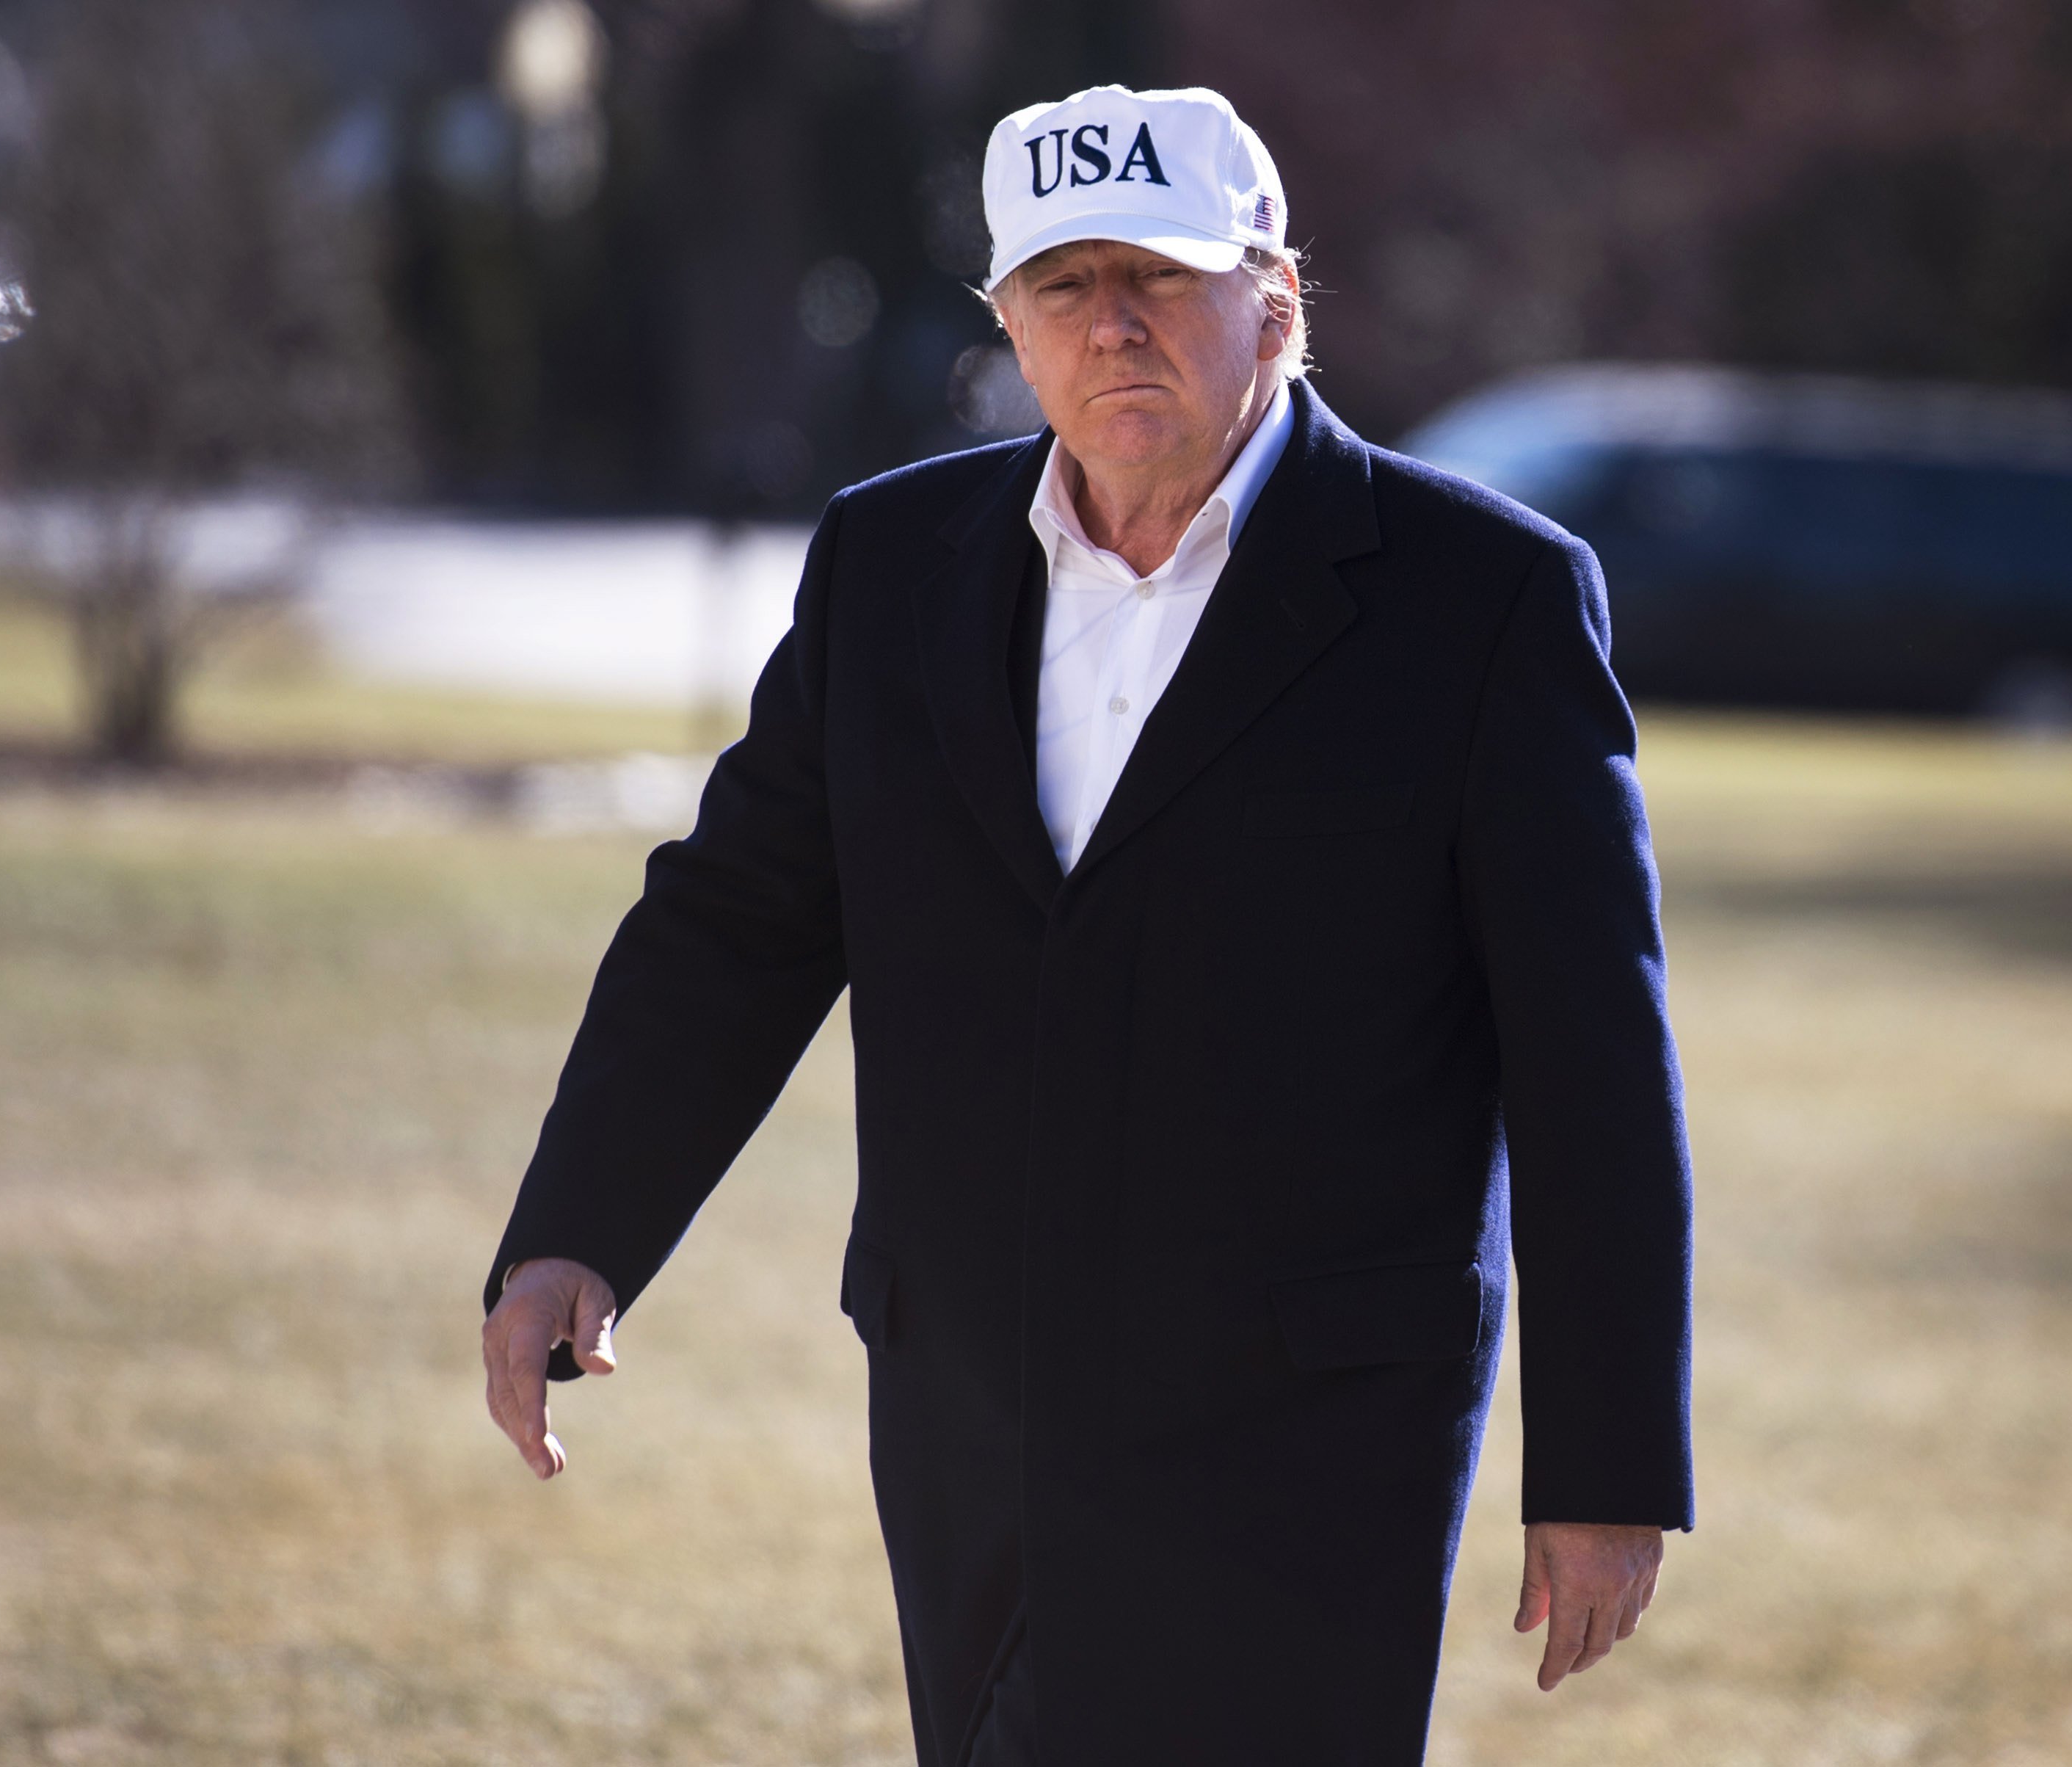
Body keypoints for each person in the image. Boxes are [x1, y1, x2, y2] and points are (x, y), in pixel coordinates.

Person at [482, 84, 1693, 1767]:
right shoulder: (888, 566)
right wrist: (579, 1224)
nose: (1111, 323)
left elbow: (1592, 1053)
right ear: (1005, 322)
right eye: (1063, 284)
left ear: (1273, 297)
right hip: (973, 1413)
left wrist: (1608, 1464)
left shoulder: (1481, 596)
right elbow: (736, 923)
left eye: (1161, 276)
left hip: (1307, 1442)